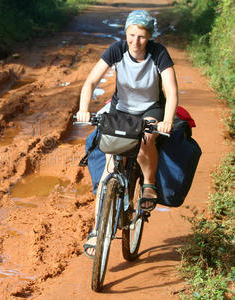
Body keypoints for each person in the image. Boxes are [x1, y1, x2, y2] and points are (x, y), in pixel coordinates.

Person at [76, 10, 178, 258]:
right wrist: (83, 110)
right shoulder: (116, 49)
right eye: (131, 35)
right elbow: (90, 82)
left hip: (149, 109)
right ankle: (98, 228)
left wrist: (166, 120)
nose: (135, 41)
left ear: (149, 36)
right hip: (120, 107)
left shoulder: (159, 53)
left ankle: (149, 184)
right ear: (126, 33)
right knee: (106, 158)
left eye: (141, 36)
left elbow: (172, 91)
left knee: (145, 140)